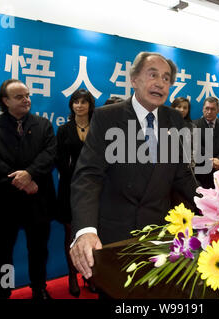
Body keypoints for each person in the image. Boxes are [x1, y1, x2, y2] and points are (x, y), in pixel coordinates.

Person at [69, 52, 198, 280]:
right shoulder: (107, 117)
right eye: (153, 75)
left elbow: (182, 176)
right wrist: (86, 230)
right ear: (134, 79)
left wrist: (216, 205)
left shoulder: (174, 120)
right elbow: (88, 176)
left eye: (167, 78)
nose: (160, 83)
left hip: (160, 237)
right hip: (116, 237)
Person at [0, 79, 56, 300]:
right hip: (6, 202)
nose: (27, 100)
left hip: (37, 198)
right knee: (3, 250)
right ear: (5, 101)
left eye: (28, 95)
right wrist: (20, 180)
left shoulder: (43, 125)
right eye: (20, 97)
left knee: (39, 249)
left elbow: (50, 154)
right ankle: (4, 290)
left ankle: (39, 287)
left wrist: (30, 173)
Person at [56, 88, 95, 297]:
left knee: (94, 235)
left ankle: (90, 276)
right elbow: (60, 162)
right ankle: (72, 276)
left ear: (90, 105)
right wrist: (78, 177)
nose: (79, 105)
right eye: (76, 102)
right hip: (70, 189)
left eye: (83, 102)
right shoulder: (64, 130)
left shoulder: (99, 127)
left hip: (97, 189)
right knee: (70, 235)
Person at [193, 96, 219, 188]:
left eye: (212, 109)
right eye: (207, 108)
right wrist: (210, 160)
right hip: (201, 170)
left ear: (218, 110)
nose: (209, 112)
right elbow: (196, 145)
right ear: (203, 109)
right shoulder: (194, 125)